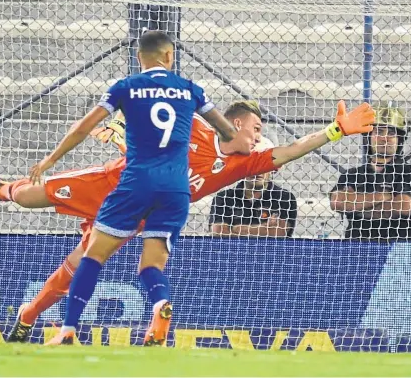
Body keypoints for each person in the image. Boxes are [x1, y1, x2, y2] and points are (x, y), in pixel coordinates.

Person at [0, 99, 374, 343]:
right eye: (255, 128)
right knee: (27, 197)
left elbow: (288, 152)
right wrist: (121, 130)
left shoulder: (242, 165)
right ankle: (3, 189)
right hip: (112, 185)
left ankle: (28, 317)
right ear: (233, 124)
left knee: (79, 264)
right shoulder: (191, 125)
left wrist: (335, 131)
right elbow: (142, 120)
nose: (259, 136)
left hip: (141, 216)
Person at [27, 31, 255, 346]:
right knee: (152, 263)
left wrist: (50, 159)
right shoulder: (190, 90)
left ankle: (67, 329)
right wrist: (244, 144)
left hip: (137, 182)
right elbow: (228, 132)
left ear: (139, 58)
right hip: (177, 190)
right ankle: (160, 304)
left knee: (93, 255)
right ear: (169, 57)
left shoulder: (126, 88)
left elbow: (83, 126)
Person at [329, 104, 411, 241]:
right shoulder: (352, 174)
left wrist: (357, 206)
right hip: (356, 247)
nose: (384, 138)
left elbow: (403, 206)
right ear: (369, 137)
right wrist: (385, 196)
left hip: (398, 248)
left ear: (399, 140)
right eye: (378, 132)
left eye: (391, 133)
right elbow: (338, 202)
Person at [209, 138, 298, 238]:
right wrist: (264, 229)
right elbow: (218, 233)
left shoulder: (284, 198)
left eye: (263, 164)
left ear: (273, 168)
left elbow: (278, 233)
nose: (257, 170)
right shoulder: (224, 198)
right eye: (251, 164)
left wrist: (236, 229)